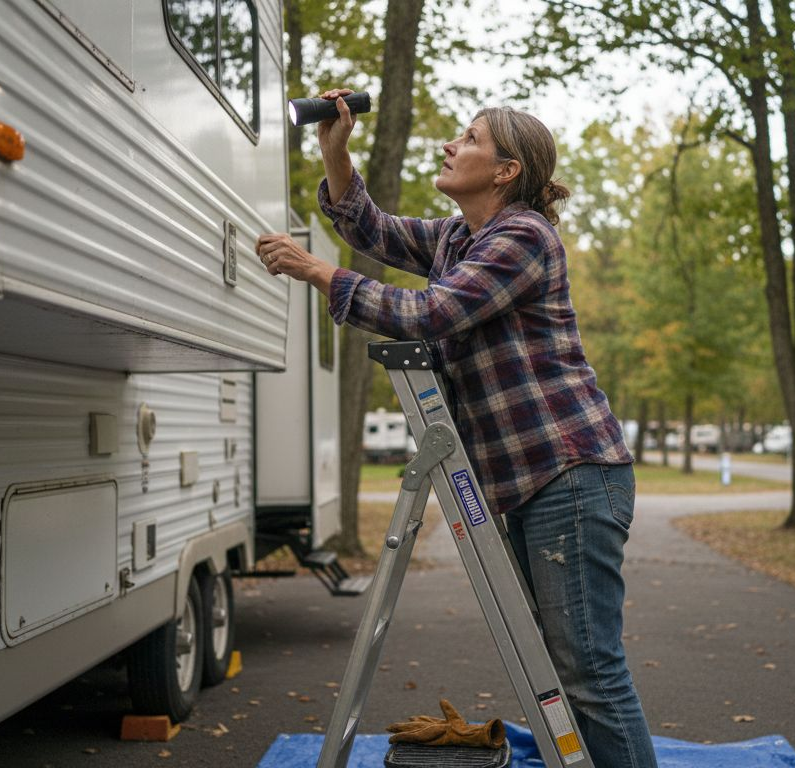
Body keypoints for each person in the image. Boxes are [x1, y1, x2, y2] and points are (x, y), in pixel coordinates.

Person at [257, 89, 658, 768]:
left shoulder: (524, 237)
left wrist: (318, 272)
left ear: (505, 170)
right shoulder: (456, 237)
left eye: (468, 138)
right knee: (566, 670)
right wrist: (335, 148)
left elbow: (429, 314)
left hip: (571, 473)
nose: (449, 145)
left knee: (589, 672)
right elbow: (370, 228)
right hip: (532, 483)